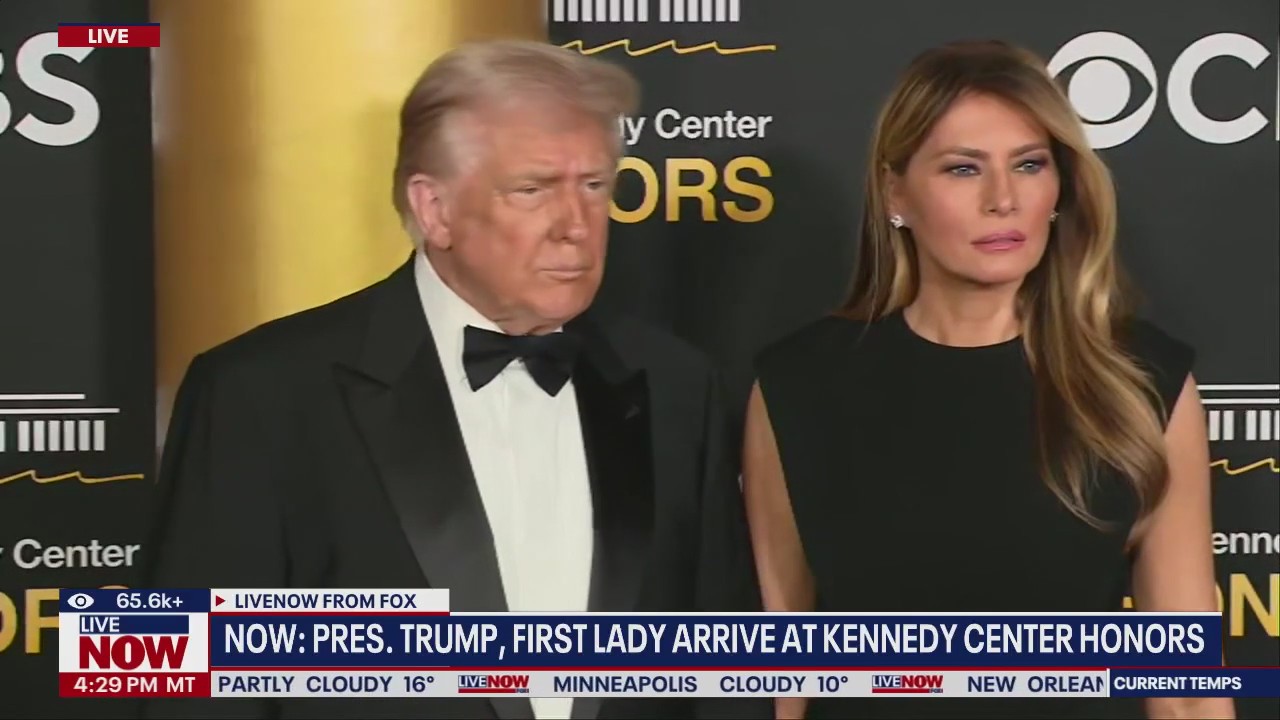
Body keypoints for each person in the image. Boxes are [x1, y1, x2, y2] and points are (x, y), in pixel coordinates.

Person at [142, 39, 764, 720]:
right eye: (532, 190)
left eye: (593, 187)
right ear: (434, 208)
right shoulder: (260, 395)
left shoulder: (676, 385)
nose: (576, 228)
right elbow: (190, 690)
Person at [743, 40, 1232, 720]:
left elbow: (1186, 693)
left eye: (1029, 164)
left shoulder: (1141, 381)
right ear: (895, 193)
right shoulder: (799, 383)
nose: (1003, 199)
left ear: (1060, 186)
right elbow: (783, 672)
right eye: (963, 168)